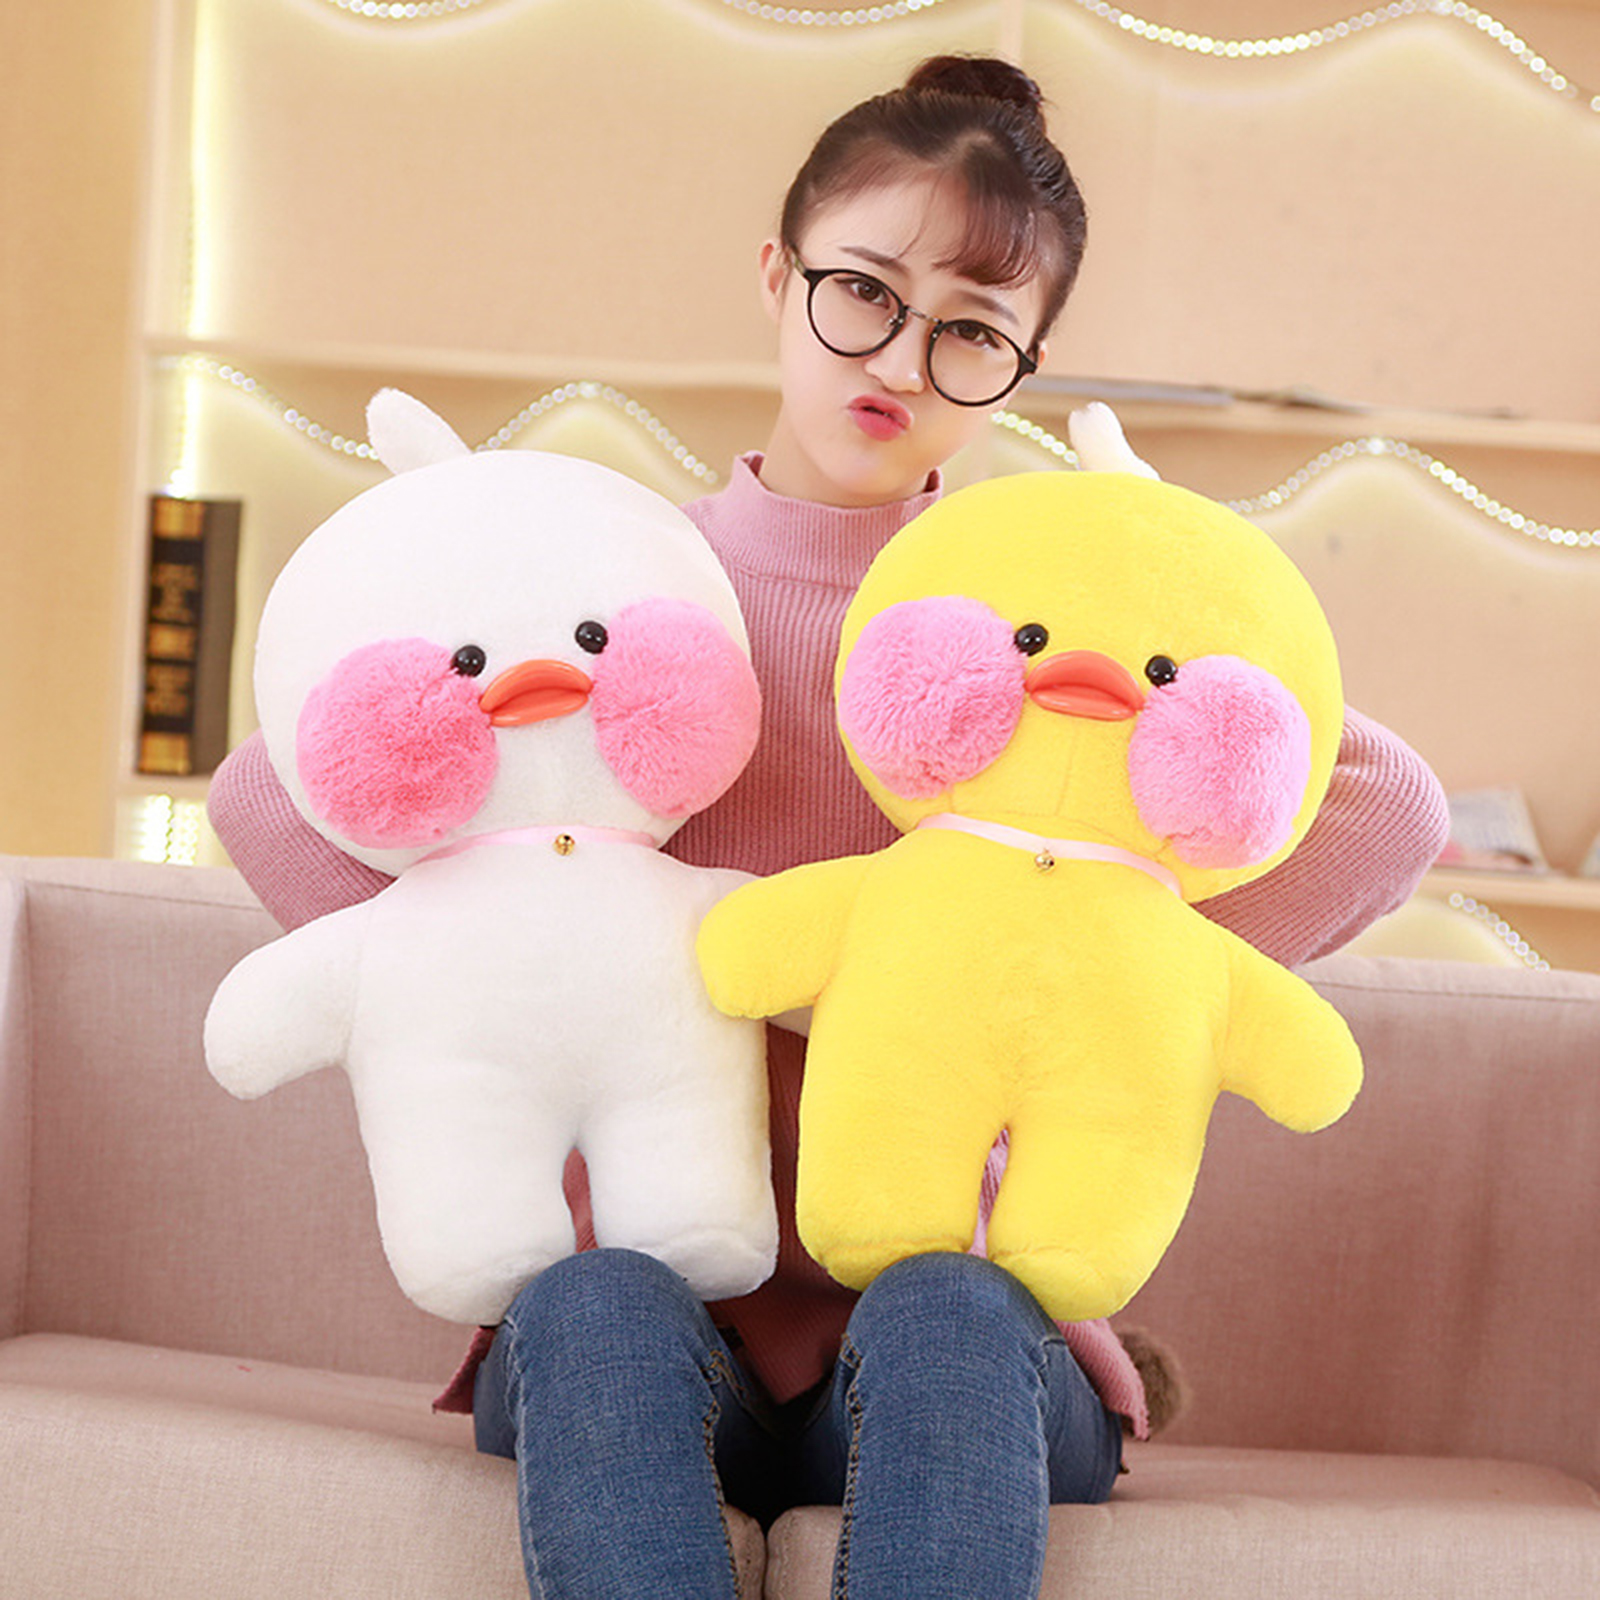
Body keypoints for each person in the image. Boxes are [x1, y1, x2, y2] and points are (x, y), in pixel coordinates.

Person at [207, 55, 1450, 1600]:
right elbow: (265, 785)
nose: (903, 360)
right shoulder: (625, 585)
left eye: (972, 332)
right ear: (775, 275)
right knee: (596, 1300)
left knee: (942, 1306)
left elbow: (1387, 802)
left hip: (960, 1341)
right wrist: (474, 953)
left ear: (1027, 364)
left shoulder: (1031, 612)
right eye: (862, 291)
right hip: (647, 1330)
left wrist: (1113, 945)